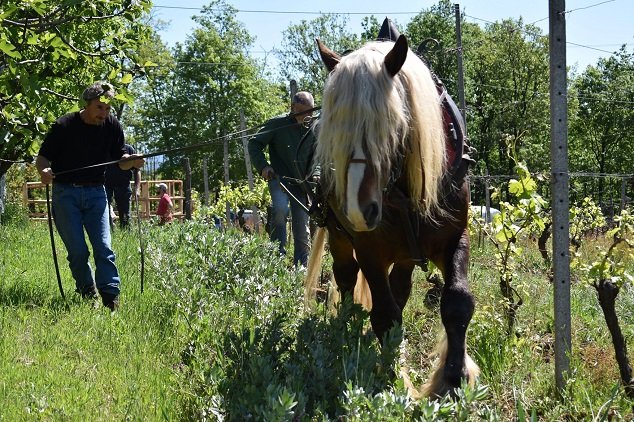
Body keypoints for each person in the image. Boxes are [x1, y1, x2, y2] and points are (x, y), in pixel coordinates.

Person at [36, 81, 145, 311]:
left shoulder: (112, 126)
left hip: (97, 192)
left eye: (107, 109)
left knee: (104, 247)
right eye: (99, 108)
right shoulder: (64, 125)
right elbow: (43, 158)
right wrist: (44, 171)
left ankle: (110, 297)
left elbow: (121, 162)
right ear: (87, 105)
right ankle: (88, 292)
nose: (103, 114)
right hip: (66, 194)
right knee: (78, 251)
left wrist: (133, 162)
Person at [248, 91, 315, 267]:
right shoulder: (277, 124)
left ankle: (302, 265)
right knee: (280, 210)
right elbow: (254, 143)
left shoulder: (314, 129)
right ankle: (276, 258)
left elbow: (321, 156)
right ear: (292, 108)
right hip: (279, 179)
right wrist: (263, 166)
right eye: (301, 111)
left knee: (302, 224)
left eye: (309, 112)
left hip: (302, 183)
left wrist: (317, 173)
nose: (306, 116)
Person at [105, 143, 140, 229]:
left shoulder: (129, 149)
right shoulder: (104, 148)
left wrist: (137, 188)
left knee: (125, 213)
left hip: (123, 184)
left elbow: (137, 170)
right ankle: (108, 233)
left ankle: (126, 233)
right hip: (106, 184)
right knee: (104, 211)